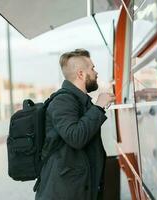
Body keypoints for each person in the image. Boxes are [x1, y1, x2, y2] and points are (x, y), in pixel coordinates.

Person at [35, 49, 115, 200]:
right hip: (63, 192)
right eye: (92, 68)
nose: (96, 73)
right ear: (80, 74)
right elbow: (75, 137)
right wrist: (99, 107)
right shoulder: (62, 101)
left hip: (75, 189)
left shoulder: (80, 101)